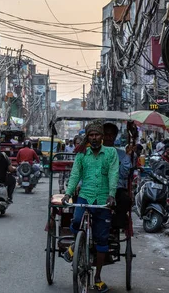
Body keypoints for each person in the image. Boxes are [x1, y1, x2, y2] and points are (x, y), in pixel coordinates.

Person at [62, 120, 119, 293]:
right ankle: (74, 246)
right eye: (91, 135)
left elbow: (113, 174)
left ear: (102, 137)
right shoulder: (82, 154)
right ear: (88, 137)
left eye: (97, 135)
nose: (94, 138)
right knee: (76, 220)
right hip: (85, 196)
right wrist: (68, 193)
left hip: (102, 199)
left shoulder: (111, 153)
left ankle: (98, 278)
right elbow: (75, 175)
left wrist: (111, 195)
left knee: (102, 239)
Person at [103, 122, 132, 230]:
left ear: (115, 136)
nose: (108, 137)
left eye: (111, 135)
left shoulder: (121, 154)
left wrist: (128, 155)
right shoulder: (95, 151)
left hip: (116, 187)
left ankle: (114, 225)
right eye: (106, 134)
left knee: (125, 200)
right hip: (98, 186)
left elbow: (124, 174)